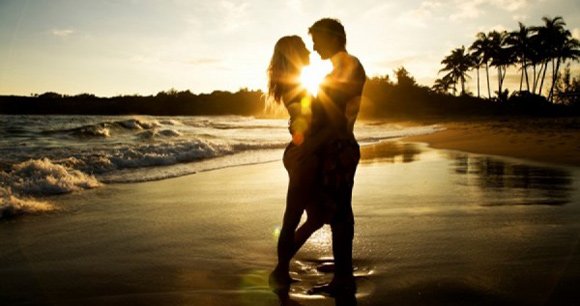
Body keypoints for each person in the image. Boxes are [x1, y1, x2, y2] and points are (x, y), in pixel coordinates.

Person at [308, 18, 366, 295]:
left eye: (317, 39)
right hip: (339, 147)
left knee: (340, 212)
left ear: (332, 37)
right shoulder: (343, 66)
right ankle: (343, 265)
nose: (314, 46)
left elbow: (336, 120)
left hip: (339, 148)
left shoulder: (348, 66)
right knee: (340, 209)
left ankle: (343, 278)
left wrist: (309, 146)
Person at [266, 35, 328, 291]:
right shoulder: (294, 85)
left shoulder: (297, 82)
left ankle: (281, 268)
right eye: (303, 47)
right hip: (304, 158)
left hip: (305, 155)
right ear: (292, 53)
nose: (308, 51)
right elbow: (306, 124)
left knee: (315, 217)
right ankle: (280, 270)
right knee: (295, 216)